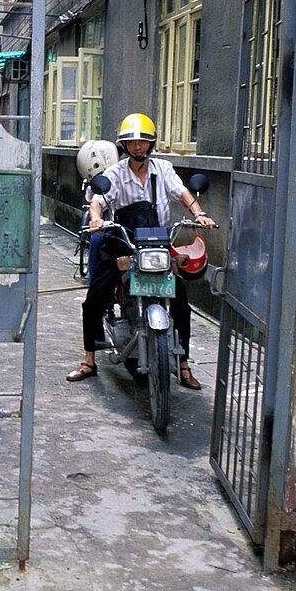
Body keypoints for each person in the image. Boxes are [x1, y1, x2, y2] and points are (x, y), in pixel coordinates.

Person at [67, 113, 216, 388]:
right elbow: (98, 201)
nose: (138, 147)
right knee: (95, 297)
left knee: (182, 301)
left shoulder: (164, 169)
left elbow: (183, 193)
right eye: (132, 142)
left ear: (151, 144)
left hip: (158, 243)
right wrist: (97, 218)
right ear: (124, 145)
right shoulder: (115, 173)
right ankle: (89, 360)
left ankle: (183, 365)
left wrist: (199, 213)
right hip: (123, 241)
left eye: (143, 142)